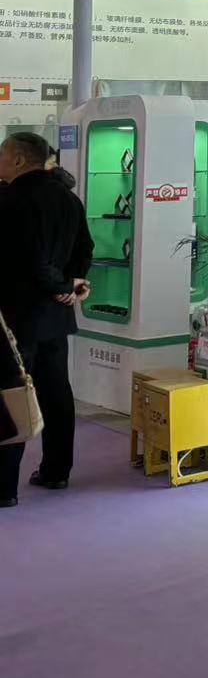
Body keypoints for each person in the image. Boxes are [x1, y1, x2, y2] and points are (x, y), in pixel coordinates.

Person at [0, 131, 94, 508]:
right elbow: (85, 248)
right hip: (56, 316)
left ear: (19, 159)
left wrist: (60, 284)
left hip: (16, 318)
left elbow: (32, 261)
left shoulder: (10, 200)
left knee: (12, 395)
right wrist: (71, 285)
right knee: (56, 393)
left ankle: (4, 487)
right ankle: (56, 470)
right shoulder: (69, 199)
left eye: (2, 155)